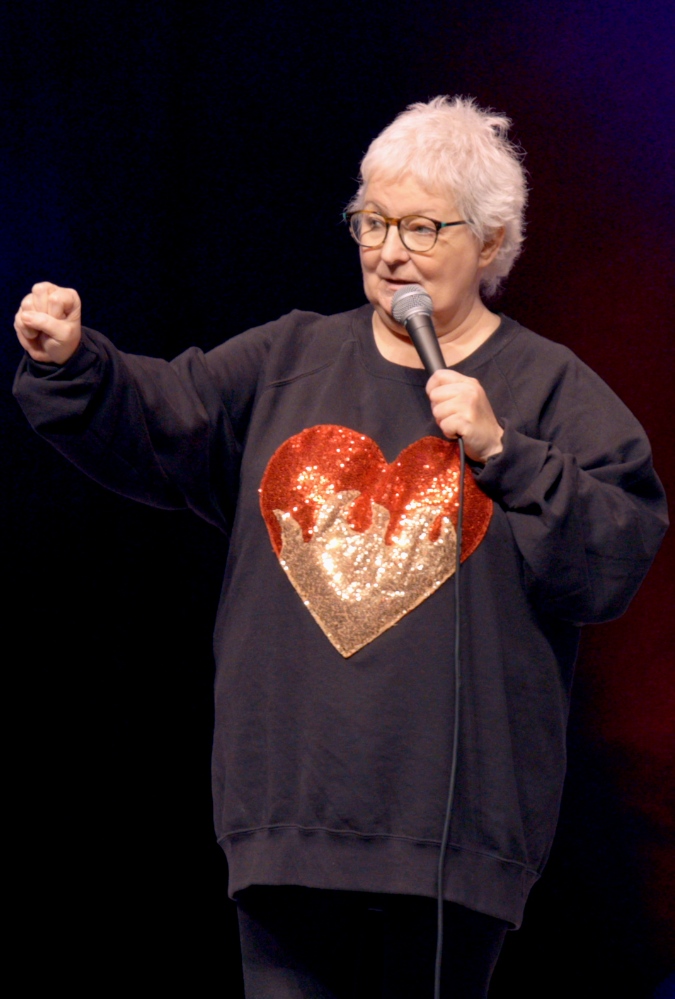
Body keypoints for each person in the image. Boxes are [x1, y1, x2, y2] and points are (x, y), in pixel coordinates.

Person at [13, 97, 667, 998]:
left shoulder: (547, 388)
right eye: (371, 220)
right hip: (290, 823)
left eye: (420, 226)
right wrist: (73, 360)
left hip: (453, 849)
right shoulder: (289, 359)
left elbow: (614, 551)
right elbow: (158, 413)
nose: (388, 249)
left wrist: (504, 454)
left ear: (491, 240)